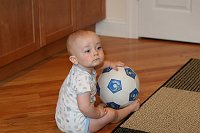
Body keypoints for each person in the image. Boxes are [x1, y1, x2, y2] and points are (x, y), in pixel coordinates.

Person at [55, 30, 140, 133]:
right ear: (74, 59)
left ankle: (95, 112)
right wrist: (98, 113)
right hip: (78, 127)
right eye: (87, 51)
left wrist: (110, 63)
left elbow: (97, 65)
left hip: (63, 119)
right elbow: (85, 108)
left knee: (93, 108)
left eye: (98, 47)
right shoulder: (83, 81)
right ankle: (129, 109)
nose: (95, 53)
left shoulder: (80, 67)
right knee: (110, 113)